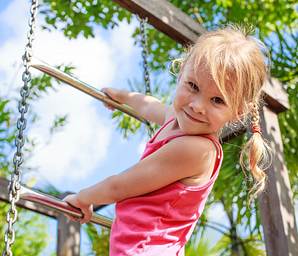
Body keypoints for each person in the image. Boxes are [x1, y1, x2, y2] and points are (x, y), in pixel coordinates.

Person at [63, 24, 271, 255]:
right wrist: (122, 96)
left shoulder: (197, 149)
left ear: (239, 111)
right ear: (181, 73)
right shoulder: (176, 118)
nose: (197, 106)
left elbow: (118, 187)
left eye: (217, 100)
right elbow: (150, 105)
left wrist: (82, 198)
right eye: (193, 86)